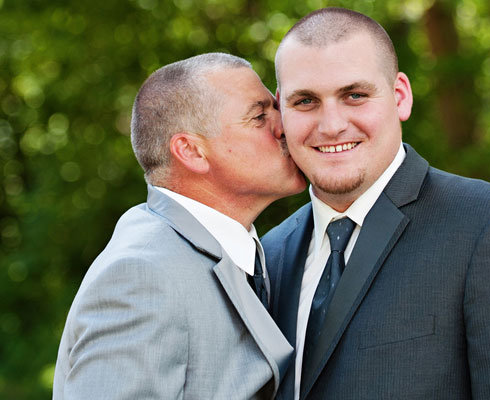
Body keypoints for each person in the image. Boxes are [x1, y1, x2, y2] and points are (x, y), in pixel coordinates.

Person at [262, 7, 490, 400]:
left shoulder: (488, 229)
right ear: (280, 111)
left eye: (355, 95)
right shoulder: (269, 255)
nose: (331, 125)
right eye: (306, 101)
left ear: (399, 97)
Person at [53, 53, 306, 399]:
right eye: (260, 116)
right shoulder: (142, 275)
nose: (285, 126)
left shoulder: (241, 253)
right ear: (192, 152)